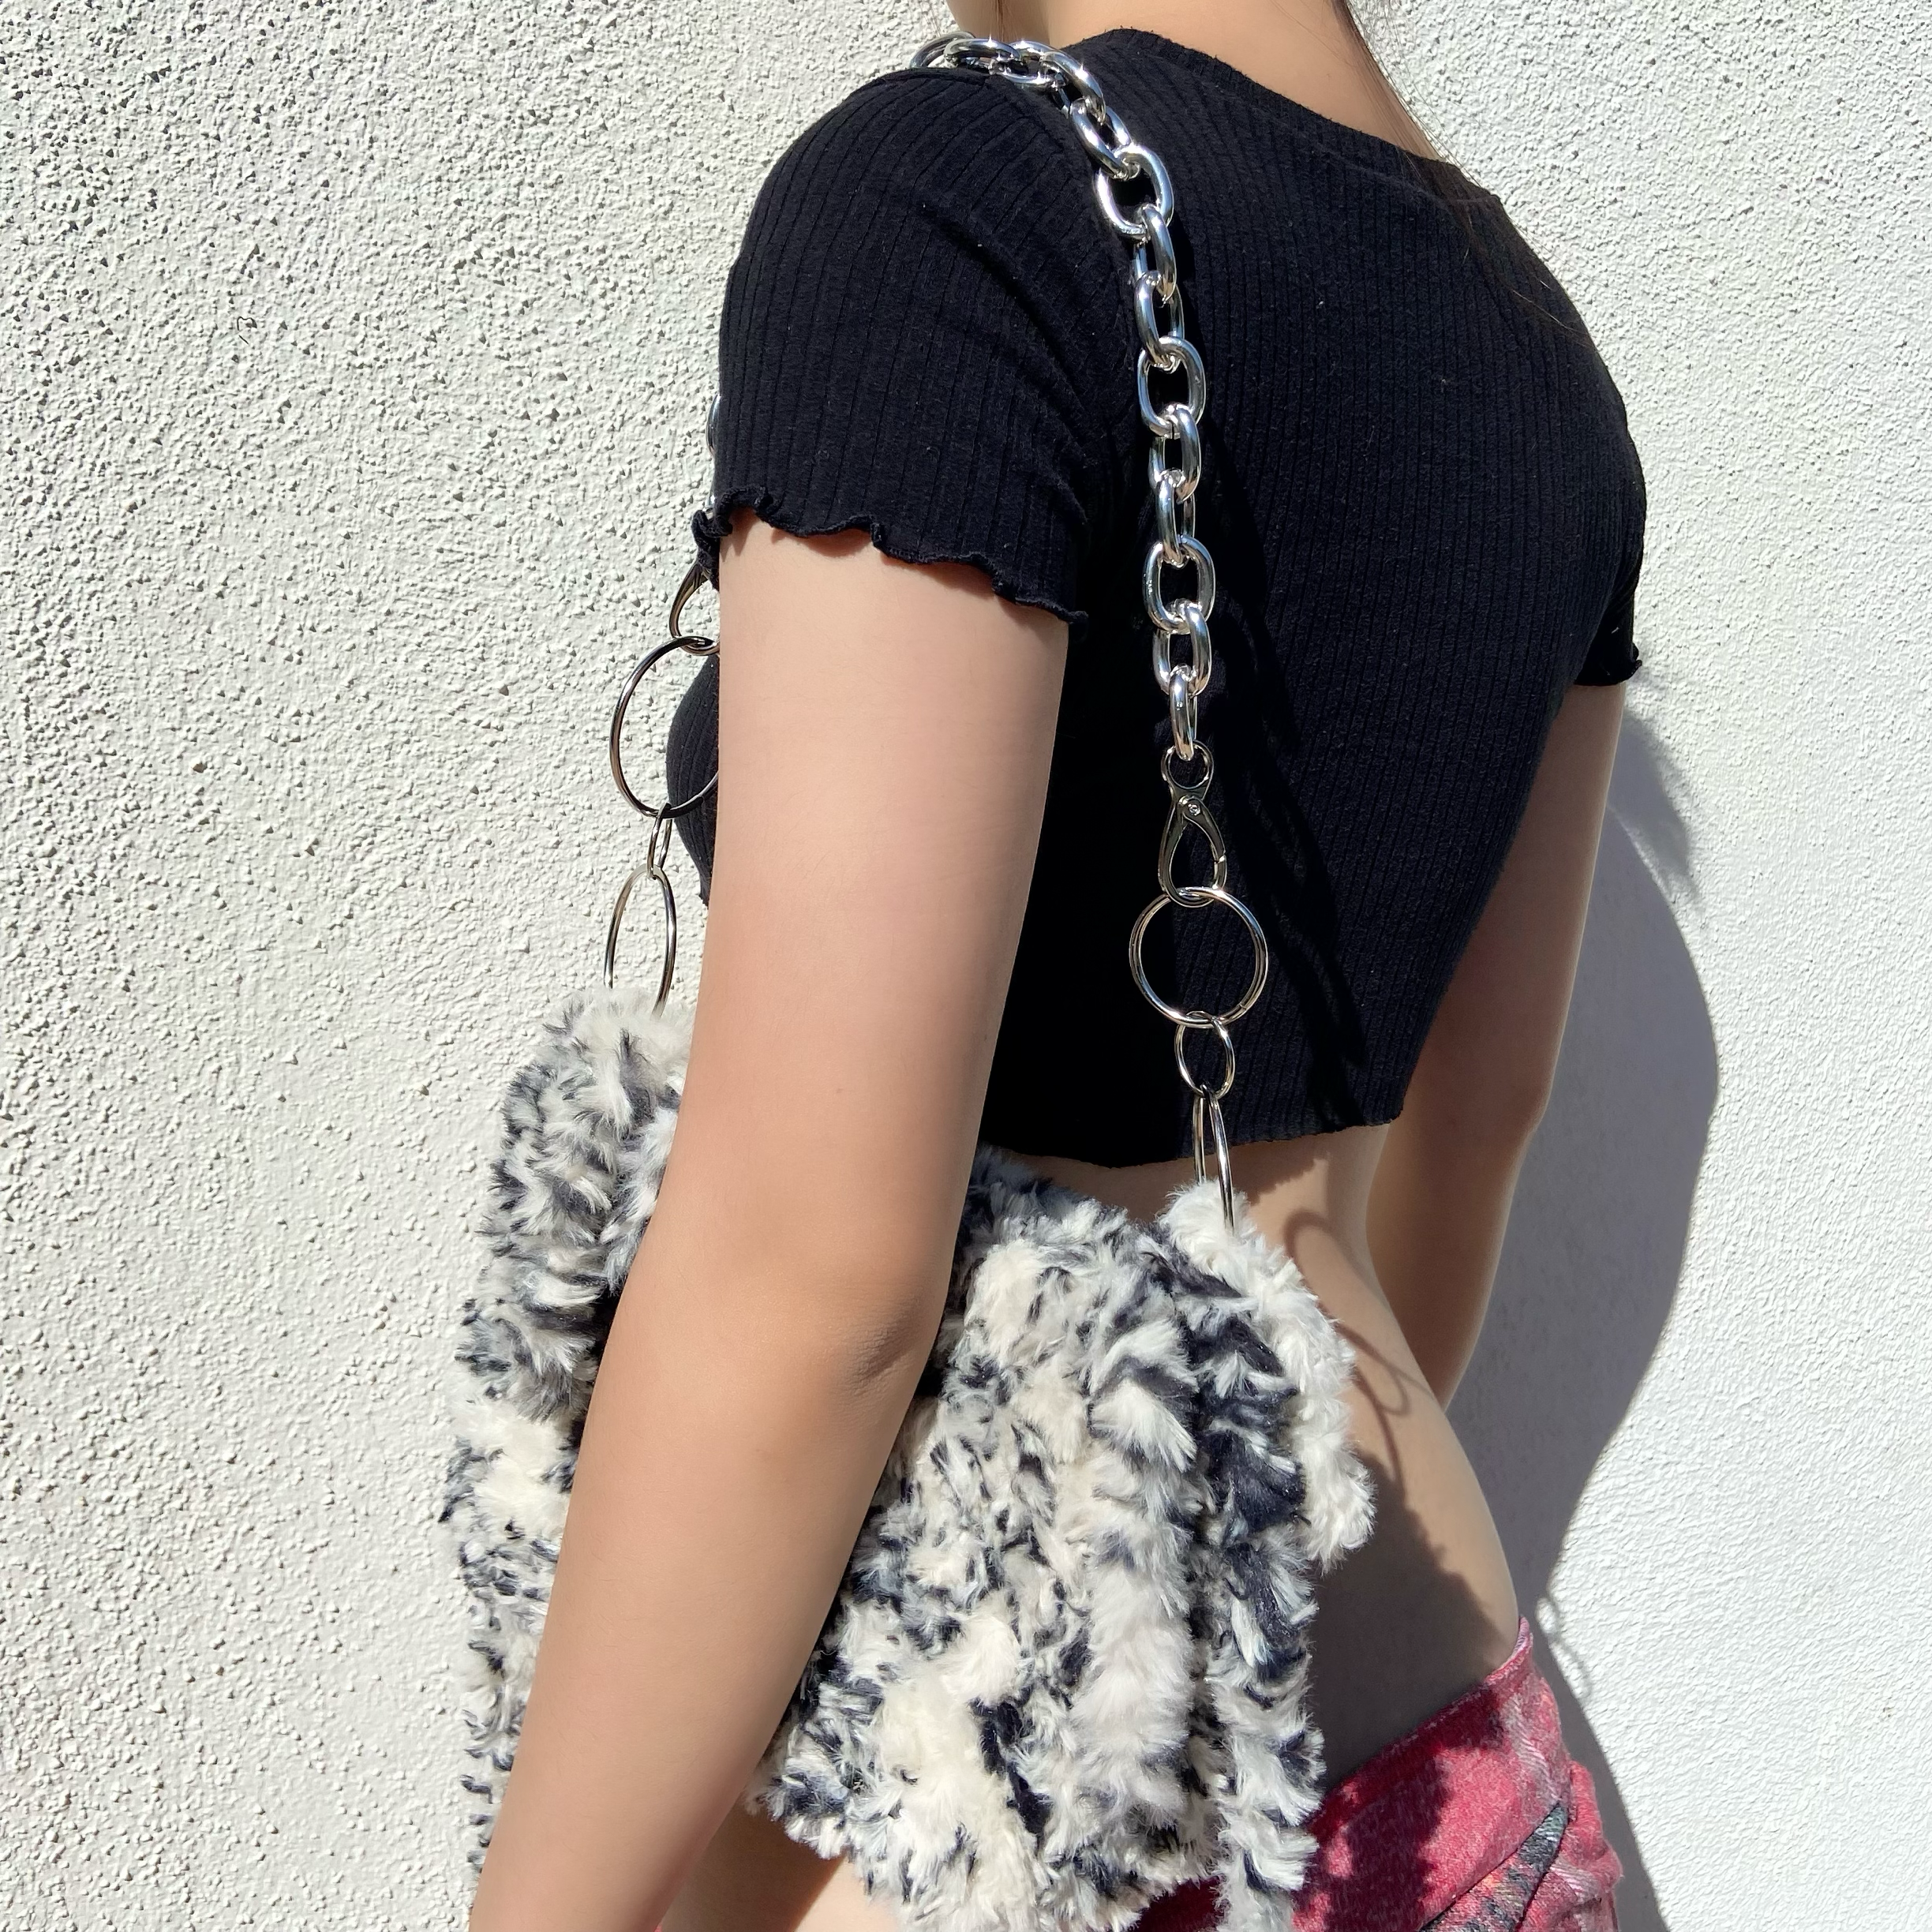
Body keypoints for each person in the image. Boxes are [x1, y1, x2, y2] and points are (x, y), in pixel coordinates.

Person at [464, 2, 1643, 1927]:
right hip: (1442, 1749)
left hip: (1027, 1809)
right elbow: (1475, 1122)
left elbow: (817, 1280)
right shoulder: (1543, 368)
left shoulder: (962, 207)